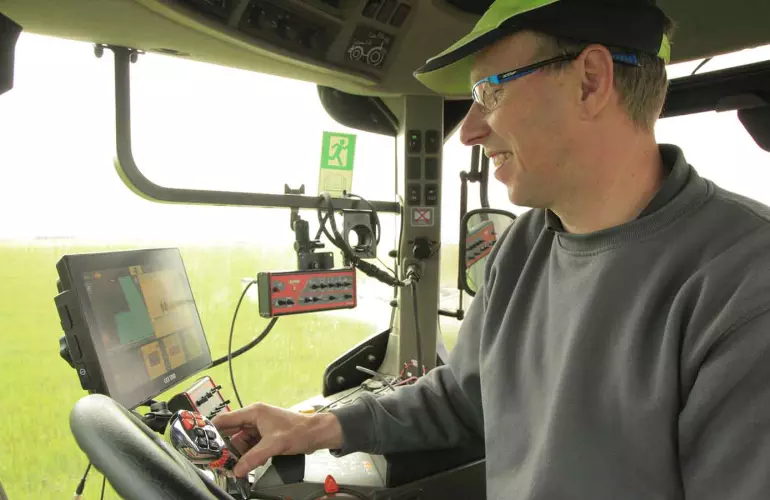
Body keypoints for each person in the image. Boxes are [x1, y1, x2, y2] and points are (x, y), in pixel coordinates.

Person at [213, 0, 770, 498]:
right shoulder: (525, 245)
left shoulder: (745, 280)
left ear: (591, 81)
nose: (471, 129)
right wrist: (316, 428)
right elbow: (463, 395)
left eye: (489, 92)